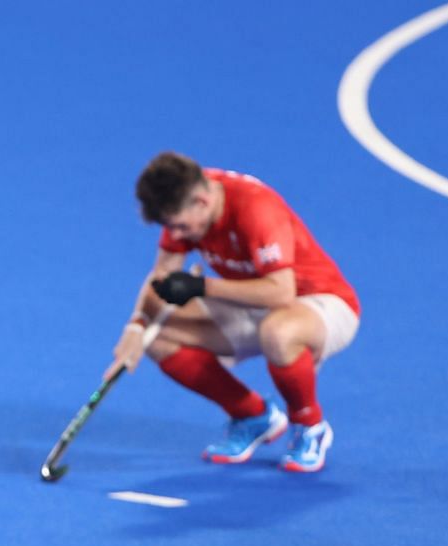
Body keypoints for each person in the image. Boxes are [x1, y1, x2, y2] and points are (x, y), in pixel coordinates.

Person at [107, 151, 361, 473]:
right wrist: (137, 326)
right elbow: (161, 277)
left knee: (278, 332)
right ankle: (253, 416)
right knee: (159, 337)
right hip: (253, 302)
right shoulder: (183, 202)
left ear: (201, 201)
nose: (179, 236)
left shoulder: (256, 209)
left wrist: (203, 288)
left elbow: (282, 293)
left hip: (320, 302)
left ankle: (309, 425)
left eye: (182, 227)